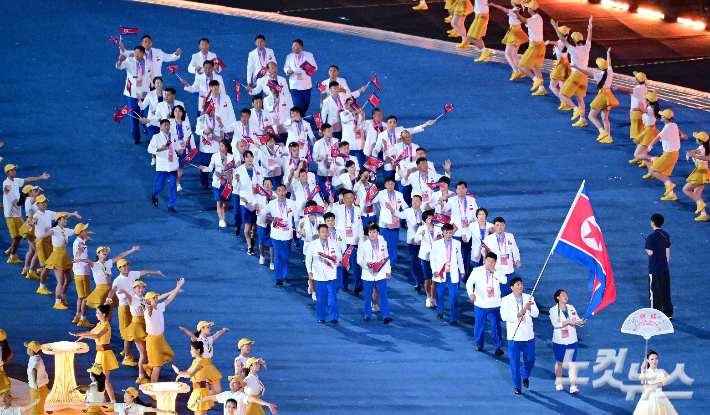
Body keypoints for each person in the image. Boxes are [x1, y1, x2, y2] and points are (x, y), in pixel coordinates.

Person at [103, 259, 165, 367]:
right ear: (119, 269)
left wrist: (157, 272)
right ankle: (126, 357)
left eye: (127, 265)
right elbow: (112, 290)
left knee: (133, 333)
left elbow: (144, 272)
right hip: (125, 309)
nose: (126, 267)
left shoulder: (132, 274)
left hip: (136, 307)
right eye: (123, 266)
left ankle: (127, 351)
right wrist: (108, 300)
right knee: (128, 334)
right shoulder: (117, 281)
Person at [36, 212, 92, 310]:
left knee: (69, 279)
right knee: (60, 281)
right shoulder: (55, 230)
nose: (65, 220)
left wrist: (87, 233)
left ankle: (62, 296)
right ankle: (57, 302)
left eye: (66, 219)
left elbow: (76, 231)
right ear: (58, 221)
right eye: (63, 219)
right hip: (57, 255)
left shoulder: (66, 230)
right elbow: (50, 233)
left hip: (64, 255)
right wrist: (41, 237)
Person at [69, 305, 119, 403]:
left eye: (98, 313)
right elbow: (91, 332)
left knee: (105, 380)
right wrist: (78, 334)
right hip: (99, 354)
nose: (96, 315)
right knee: (100, 379)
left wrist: (84, 336)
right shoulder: (99, 324)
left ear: (104, 314)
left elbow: (97, 336)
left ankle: (113, 402)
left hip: (105, 355)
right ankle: (103, 399)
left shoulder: (105, 326)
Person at [79, 245, 140, 323]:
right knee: (99, 312)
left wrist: (132, 250)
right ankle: (82, 319)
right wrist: (79, 260)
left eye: (106, 251)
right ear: (98, 254)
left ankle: (104, 329)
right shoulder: (95, 265)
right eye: (103, 251)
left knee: (109, 318)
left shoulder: (108, 263)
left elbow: (120, 256)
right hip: (99, 291)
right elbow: (88, 261)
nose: (105, 252)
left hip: (109, 290)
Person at [3, 165, 50, 264]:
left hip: (17, 213)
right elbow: (6, 189)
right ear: (7, 173)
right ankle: (12, 257)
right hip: (11, 215)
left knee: (20, 233)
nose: (14, 171)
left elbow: (28, 179)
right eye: (12, 170)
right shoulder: (6, 183)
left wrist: (40, 177)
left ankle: (11, 249)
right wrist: (7, 189)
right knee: (17, 237)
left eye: (15, 170)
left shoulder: (16, 181)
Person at [499, 277, 538, 394]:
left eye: (521, 284)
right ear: (512, 287)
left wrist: (530, 308)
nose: (520, 286)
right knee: (514, 362)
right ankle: (517, 386)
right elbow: (504, 317)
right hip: (514, 336)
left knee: (530, 360)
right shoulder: (506, 300)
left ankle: (525, 372)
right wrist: (517, 315)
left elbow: (536, 314)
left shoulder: (529, 298)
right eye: (517, 284)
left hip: (528, 335)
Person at [553, 17, 594, 127]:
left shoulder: (573, 49)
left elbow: (562, 39)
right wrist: (590, 25)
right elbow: (589, 37)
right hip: (584, 76)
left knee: (562, 94)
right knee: (580, 99)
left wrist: (555, 27)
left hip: (575, 76)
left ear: (574, 41)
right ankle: (582, 120)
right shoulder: (587, 47)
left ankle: (576, 109)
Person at [573, 48, 618, 143]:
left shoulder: (599, 75)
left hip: (602, 96)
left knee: (591, 116)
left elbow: (587, 73)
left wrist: (577, 68)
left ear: (600, 67)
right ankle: (608, 137)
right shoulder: (610, 71)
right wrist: (607, 53)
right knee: (605, 118)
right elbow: (609, 64)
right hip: (609, 96)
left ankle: (602, 131)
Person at [144, 279, 184, 383]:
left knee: (171, 358)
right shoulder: (148, 311)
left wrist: (177, 287)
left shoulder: (159, 307)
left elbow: (169, 299)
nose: (156, 299)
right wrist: (149, 305)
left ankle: (150, 365)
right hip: (153, 341)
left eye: (156, 297)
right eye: (154, 298)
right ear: (148, 301)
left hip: (161, 338)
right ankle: (153, 389)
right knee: (157, 368)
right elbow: (149, 310)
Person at [437, 181, 478, 279]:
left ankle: (465, 275)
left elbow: (476, 214)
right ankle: (455, 275)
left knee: (466, 254)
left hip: (468, 231)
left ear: (466, 189)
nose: (461, 190)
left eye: (463, 188)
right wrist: (441, 204)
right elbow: (444, 209)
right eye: (459, 188)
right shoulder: (452, 200)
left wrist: (475, 225)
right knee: (455, 255)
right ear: (456, 190)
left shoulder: (472, 200)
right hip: (455, 232)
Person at [466, 252, 505, 354]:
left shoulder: (499, 271)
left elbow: (504, 281)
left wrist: (495, 272)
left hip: (494, 304)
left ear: (495, 262)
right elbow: (469, 283)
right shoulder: (477, 271)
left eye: (492, 261)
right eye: (488, 261)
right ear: (484, 260)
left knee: (496, 326)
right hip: (481, 304)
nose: (489, 263)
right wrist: (471, 294)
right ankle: (479, 344)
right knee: (479, 326)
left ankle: (498, 347)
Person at [257, 184, 295, 285]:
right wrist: (258, 211)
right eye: (279, 191)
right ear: (276, 192)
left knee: (285, 256)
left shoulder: (292, 203)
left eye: (283, 190)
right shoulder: (272, 203)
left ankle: (284, 275)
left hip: (287, 234)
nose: (281, 193)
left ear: (286, 191)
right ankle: (278, 277)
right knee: (278, 255)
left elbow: (298, 216)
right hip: (276, 234)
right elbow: (263, 213)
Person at [549, 289, 586, 394]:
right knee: (559, 363)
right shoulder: (553, 310)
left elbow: (577, 320)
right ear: (557, 298)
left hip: (571, 340)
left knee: (572, 363)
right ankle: (559, 381)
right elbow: (555, 324)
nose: (565, 296)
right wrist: (569, 321)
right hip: (559, 341)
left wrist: (581, 322)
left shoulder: (571, 308)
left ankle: (573, 386)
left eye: (566, 294)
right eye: (563, 295)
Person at [646, 109, 687, 201]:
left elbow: (658, 137)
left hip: (668, 155)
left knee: (653, 171)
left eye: (663, 115)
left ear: (666, 117)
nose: (661, 116)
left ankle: (670, 185)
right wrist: (681, 135)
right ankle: (671, 194)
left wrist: (650, 145)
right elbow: (678, 130)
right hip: (674, 154)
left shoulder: (667, 128)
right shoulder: (674, 125)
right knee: (663, 174)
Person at [178, 322, 229, 395]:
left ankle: (205, 399)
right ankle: (201, 401)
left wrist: (223, 330)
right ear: (202, 329)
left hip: (210, 366)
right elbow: (192, 336)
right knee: (202, 391)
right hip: (201, 367)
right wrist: (185, 330)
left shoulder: (209, 339)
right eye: (208, 327)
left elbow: (216, 335)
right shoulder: (198, 340)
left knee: (217, 391)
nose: (210, 329)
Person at [357, 223, 393, 324]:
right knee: (368, 296)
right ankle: (367, 314)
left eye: (374, 232)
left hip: (380, 273)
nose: (372, 234)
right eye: (370, 232)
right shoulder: (363, 245)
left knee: (383, 295)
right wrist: (366, 264)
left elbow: (386, 257)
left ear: (378, 233)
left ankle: (386, 315)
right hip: (368, 273)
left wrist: (388, 271)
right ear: (367, 233)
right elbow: (359, 259)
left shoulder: (383, 243)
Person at [306, 224, 342, 323]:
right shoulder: (313, 244)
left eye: (326, 231)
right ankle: (321, 317)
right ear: (318, 233)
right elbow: (308, 259)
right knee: (321, 298)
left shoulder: (334, 243)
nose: (325, 233)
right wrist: (309, 271)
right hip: (319, 275)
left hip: (331, 274)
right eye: (323, 231)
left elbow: (340, 256)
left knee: (333, 298)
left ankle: (334, 317)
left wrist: (336, 258)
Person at [116, 47, 152, 144]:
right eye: (135, 52)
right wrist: (119, 61)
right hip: (133, 94)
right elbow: (120, 66)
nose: (136, 54)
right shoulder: (129, 61)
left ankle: (149, 135)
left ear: (143, 54)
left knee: (147, 116)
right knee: (134, 116)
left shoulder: (149, 63)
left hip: (145, 94)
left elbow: (151, 77)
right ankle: (136, 138)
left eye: (139, 52)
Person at [430, 223, 464, 325]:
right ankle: (440, 310)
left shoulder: (457, 243)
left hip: (452, 272)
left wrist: (462, 270)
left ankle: (453, 318)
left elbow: (459, 258)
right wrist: (434, 270)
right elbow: (433, 258)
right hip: (441, 272)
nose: (449, 235)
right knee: (440, 294)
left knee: (453, 296)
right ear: (443, 233)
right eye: (446, 233)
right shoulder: (436, 244)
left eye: (450, 232)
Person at [148, 119, 185, 213]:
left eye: (168, 125)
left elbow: (177, 148)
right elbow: (150, 149)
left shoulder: (174, 136)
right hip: (162, 165)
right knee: (160, 185)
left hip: (172, 164)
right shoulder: (156, 137)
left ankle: (171, 205)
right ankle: (155, 194)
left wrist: (180, 150)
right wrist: (159, 149)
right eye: (165, 125)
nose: (167, 127)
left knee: (173, 185)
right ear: (160, 126)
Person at [331, 190, 363, 292]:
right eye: (347, 198)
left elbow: (360, 226)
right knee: (344, 263)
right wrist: (331, 204)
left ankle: (357, 285)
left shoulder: (358, 210)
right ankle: (344, 283)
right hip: (342, 240)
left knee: (356, 264)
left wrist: (362, 239)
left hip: (354, 240)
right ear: (343, 199)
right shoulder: (337, 209)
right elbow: (328, 215)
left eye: (351, 197)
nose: (349, 199)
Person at [118, 281, 150, 384]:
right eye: (138, 288)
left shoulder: (144, 299)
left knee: (147, 352)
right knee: (143, 353)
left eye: (142, 288)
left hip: (145, 326)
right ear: (134, 289)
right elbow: (129, 298)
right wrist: (125, 292)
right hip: (137, 327)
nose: (141, 290)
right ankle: (141, 376)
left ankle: (146, 369)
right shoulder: (133, 299)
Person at [198, 139, 235, 228]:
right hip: (217, 181)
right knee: (219, 201)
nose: (219, 147)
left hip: (227, 182)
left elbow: (233, 170)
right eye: (219, 145)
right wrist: (204, 168)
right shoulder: (215, 156)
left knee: (227, 203)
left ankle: (222, 213)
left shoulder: (231, 157)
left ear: (226, 148)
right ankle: (221, 220)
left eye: (222, 146)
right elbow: (211, 168)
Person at [373, 177, 408, 271]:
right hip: (384, 224)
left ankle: (392, 264)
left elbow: (405, 206)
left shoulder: (399, 194)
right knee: (383, 244)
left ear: (394, 185)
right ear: (385, 185)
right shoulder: (380, 194)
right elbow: (371, 200)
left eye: (392, 184)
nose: (390, 186)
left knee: (393, 245)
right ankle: (382, 263)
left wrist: (408, 211)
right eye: (388, 184)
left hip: (395, 223)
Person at [196, 376, 277, 415]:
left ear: (240, 386)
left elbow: (255, 400)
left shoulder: (242, 396)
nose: (232, 383)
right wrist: (199, 401)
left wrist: (268, 404)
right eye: (231, 381)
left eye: (235, 382)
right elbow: (211, 398)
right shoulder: (225, 394)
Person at [514, 1, 547, 95]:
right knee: (536, 68)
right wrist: (523, 6)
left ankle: (535, 79)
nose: (528, 9)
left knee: (521, 66)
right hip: (541, 46)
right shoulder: (539, 18)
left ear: (531, 9)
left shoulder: (533, 20)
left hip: (534, 46)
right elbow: (525, 19)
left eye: (528, 7)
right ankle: (541, 89)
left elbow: (523, 20)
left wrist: (516, 12)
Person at [172, 341, 214, 415]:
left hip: (202, 392)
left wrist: (180, 376)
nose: (190, 351)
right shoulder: (195, 361)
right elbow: (188, 371)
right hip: (196, 391)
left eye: (192, 349)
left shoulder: (201, 361)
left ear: (198, 350)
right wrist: (179, 372)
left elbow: (191, 374)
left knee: (201, 412)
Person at [483, 217, 520, 297]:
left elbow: (515, 249)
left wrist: (517, 259)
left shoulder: (510, 236)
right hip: (496, 270)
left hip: (509, 270)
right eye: (497, 225)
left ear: (504, 226)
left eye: (501, 225)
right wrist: (485, 253)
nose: (500, 227)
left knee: (511, 292)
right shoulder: (489, 238)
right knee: (498, 294)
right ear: (494, 226)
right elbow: (483, 250)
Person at [632, 350, 678, 415]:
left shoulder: (661, 371)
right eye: (652, 359)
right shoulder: (646, 372)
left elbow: (664, 383)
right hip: (647, 399)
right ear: (647, 361)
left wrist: (650, 386)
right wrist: (642, 367)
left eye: (656, 359)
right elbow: (643, 382)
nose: (654, 361)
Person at [491, 0, 529, 78]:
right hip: (519, 32)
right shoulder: (521, 8)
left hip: (513, 33)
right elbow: (523, 2)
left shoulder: (513, 11)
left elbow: (501, 8)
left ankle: (515, 71)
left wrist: (492, 4)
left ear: (514, 3)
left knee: (507, 54)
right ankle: (522, 71)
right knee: (514, 54)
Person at [235, 151, 263, 254]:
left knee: (255, 224)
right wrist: (237, 181)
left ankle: (252, 236)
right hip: (245, 200)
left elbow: (261, 184)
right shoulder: (239, 170)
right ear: (244, 159)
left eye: (251, 157)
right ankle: (249, 247)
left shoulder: (258, 169)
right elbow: (235, 188)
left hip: (256, 199)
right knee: (247, 226)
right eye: (247, 157)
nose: (250, 159)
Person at [645, 213, 672, 318]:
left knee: (655, 291)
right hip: (664, 267)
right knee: (665, 290)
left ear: (652, 222)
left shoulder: (651, 237)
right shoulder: (666, 234)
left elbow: (650, 252)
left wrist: (647, 247)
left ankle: (655, 314)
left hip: (655, 268)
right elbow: (667, 250)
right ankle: (668, 313)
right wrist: (666, 263)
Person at [415, 210, 442, 308]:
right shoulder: (421, 228)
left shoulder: (439, 228)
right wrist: (421, 235)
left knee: (435, 277)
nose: (430, 220)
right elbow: (415, 240)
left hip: (436, 256)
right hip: (425, 256)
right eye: (428, 218)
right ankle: (428, 297)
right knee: (428, 278)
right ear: (424, 220)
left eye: (432, 218)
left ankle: (433, 298)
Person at [283, 39, 318, 113]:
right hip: (294, 84)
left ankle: (301, 115)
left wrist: (306, 67)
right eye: (292, 46)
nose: (293, 47)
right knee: (298, 104)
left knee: (306, 103)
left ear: (301, 47)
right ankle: (299, 118)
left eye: (295, 46)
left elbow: (315, 67)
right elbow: (285, 67)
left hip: (306, 84)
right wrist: (287, 71)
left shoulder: (308, 55)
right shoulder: (289, 56)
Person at [612, 71, 648, 142]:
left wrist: (619, 87)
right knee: (640, 133)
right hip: (642, 113)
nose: (634, 79)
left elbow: (628, 90)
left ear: (637, 80)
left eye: (635, 78)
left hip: (636, 114)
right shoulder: (644, 88)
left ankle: (640, 151)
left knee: (636, 136)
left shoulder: (638, 89)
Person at [684, 132, 710, 221]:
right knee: (697, 194)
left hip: (700, 172)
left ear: (701, 141)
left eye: (697, 138)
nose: (695, 139)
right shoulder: (704, 148)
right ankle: (703, 214)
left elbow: (707, 158)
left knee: (686, 189)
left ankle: (701, 204)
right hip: (703, 172)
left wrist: (694, 155)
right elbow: (697, 151)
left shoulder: (702, 149)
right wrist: (692, 153)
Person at [170, 105, 196, 194]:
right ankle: (173, 180)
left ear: (182, 113)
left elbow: (190, 136)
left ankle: (177, 183)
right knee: (173, 167)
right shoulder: (169, 123)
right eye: (175, 111)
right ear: (173, 113)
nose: (177, 113)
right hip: (173, 148)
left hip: (183, 147)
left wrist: (194, 148)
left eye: (179, 111)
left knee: (181, 167)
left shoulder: (186, 124)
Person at [544, 26, 572, 106]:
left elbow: (555, 43)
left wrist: (548, 42)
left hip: (561, 65)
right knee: (562, 84)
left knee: (552, 86)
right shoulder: (567, 41)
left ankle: (564, 101)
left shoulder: (561, 43)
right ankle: (564, 100)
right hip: (566, 63)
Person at [632, 92, 661, 168]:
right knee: (643, 152)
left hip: (649, 132)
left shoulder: (650, 110)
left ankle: (654, 158)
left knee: (637, 154)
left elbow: (643, 111)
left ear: (648, 101)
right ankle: (651, 171)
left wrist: (637, 108)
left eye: (646, 99)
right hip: (648, 130)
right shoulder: (652, 108)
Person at [72, 223, 93, 327]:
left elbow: (87, 239)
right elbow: (82, 245)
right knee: (86, 297)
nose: (86, 231)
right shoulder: (79, 243)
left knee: (80, 297)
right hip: (83, 272)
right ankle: (83, 319)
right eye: (85, 230)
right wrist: (83, 246)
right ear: (80, 233)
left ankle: (77, 316)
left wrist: (87, 234)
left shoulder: (79, 239)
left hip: (77, 271)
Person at [402, 195, 425, 290]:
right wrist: (391, 208)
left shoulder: (425, 213)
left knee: (423, 262)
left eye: (416, 201)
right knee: (415, 262)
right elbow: (398, 214)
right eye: (413, 200)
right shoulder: (407, 212)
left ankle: (424, 280)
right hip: (412, 241)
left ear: (421, 202)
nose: (414, 202)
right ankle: (418, 281)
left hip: (424, 241)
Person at [99, 387, 174, 415]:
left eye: (127, 395)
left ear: (132, 398)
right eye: (125, 394)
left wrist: (166, 412)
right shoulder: (122, 406)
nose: (124, 396)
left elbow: (151, 409)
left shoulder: (138, 408)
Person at [254, 178, 275, 269]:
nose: (267, 185)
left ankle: (272, 261)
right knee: (262, 240)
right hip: (262, 221)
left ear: (272, 186)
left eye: (269, 184)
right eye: (265, 184)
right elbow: (255, 203)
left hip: (273, 222)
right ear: (263, 186)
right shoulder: (259, 195)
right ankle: (262, 255)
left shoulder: (275, 196)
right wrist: (257, 207)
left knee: (272, 242)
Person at [24, 341, 49, 415]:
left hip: (38, 389)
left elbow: (34, 370)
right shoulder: (35, 358)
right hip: (39, 388)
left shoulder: (35, 360)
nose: (27, 349)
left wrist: (35, 383)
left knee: (35, 411)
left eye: (28, 348)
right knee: (36, 409)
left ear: (32, 350)